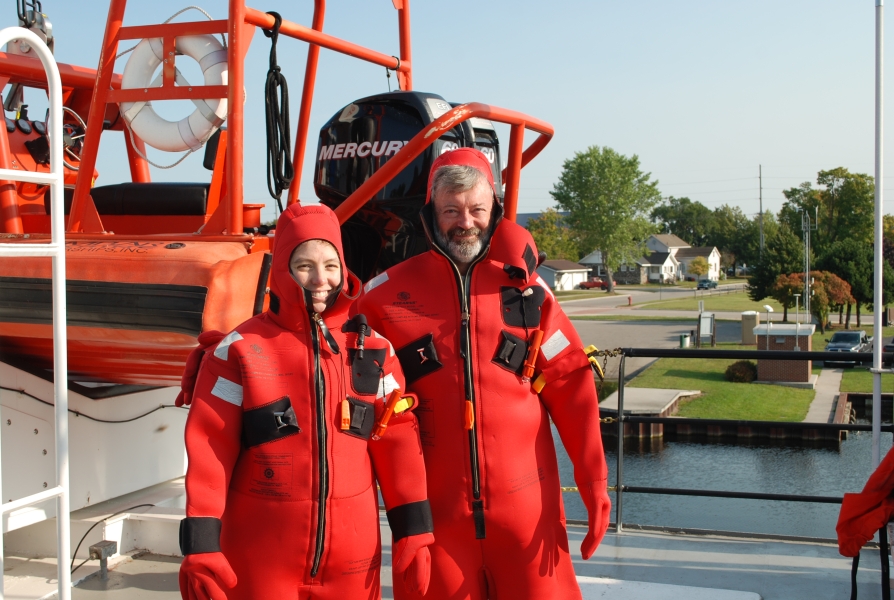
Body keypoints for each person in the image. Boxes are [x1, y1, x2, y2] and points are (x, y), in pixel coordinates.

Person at [355, 147, 611, 599]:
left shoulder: (530, 294)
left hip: (528, 516)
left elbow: (572, 385)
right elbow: (343, 393)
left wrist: (593, 483)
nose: (465, 221)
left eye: (476, 208)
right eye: (451, 210)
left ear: (494, 205)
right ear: (431, 211)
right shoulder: (383, 299)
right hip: (435, 522)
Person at [177, 204, 434, 600]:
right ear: (282, 268)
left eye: (331, 265)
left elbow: (399, 442)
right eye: (304, 265)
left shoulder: (374, 350)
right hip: (260, 555)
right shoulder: (239, 352)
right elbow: (210, 446)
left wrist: (414, 529)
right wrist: (200, 543)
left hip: (352, 557)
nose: (321, 279)